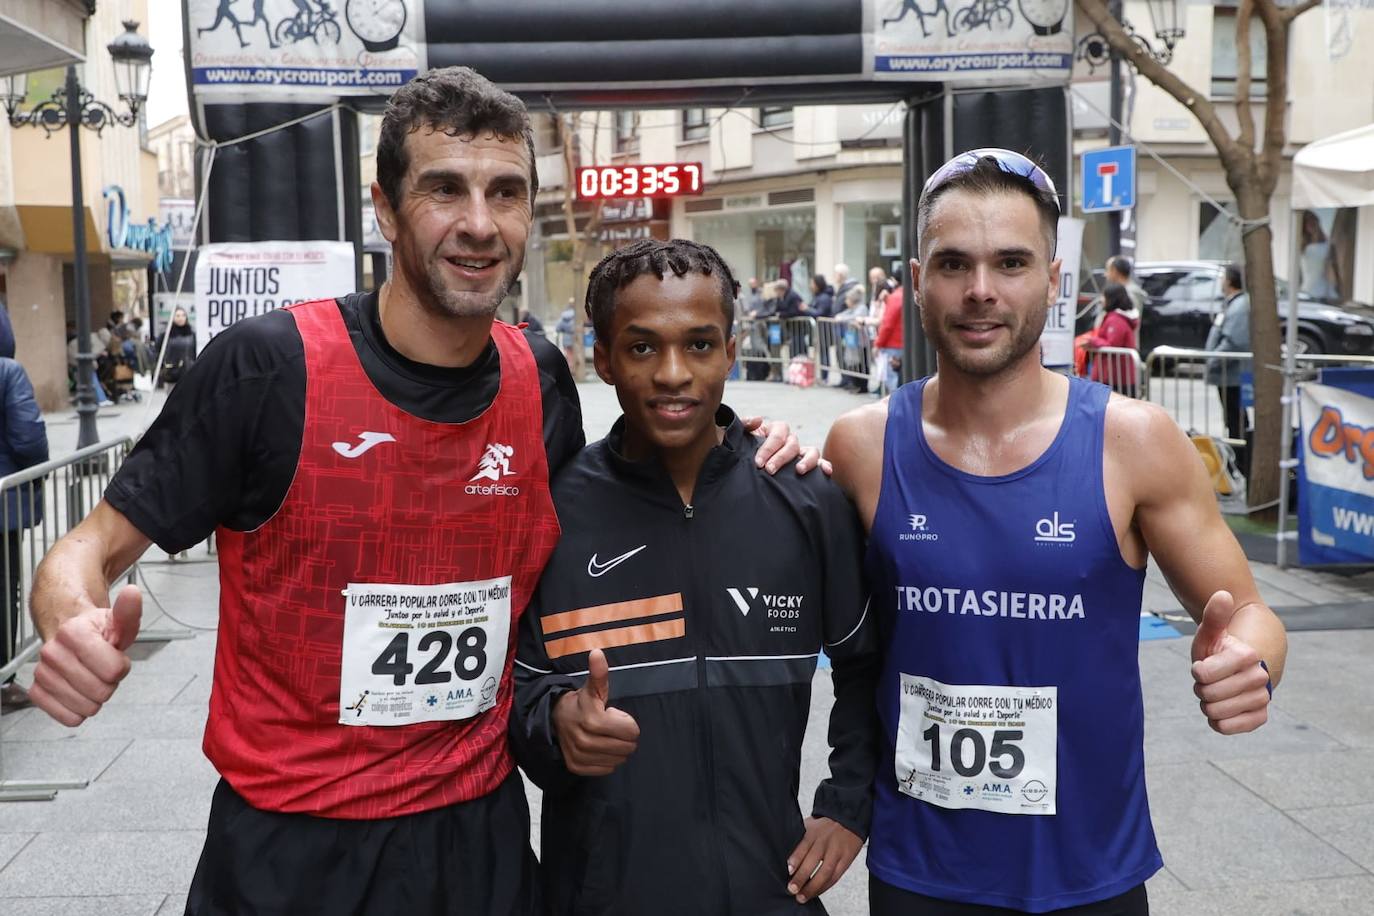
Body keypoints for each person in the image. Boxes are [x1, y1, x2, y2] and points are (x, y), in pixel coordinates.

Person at [23, 66, 806, 916]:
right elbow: (88, 548)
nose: (478, 223)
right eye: (445, 190)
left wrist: (747, 445)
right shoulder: (269, 369)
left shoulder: (536, 377)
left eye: (505, 193)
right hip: (294, 850)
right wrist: (68, 615)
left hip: (480, 842)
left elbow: (620, 506)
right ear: (386, 209)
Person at [824, 149, 1287, 915]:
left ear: (1053, 276)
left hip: (1088, 875)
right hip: (918, 874)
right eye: (953, 264)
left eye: (1011, 262)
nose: (980, 291)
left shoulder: (1133, 441)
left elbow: (1247, 610)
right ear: (916, 280)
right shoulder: (861, 447)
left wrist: (1253, 661)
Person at [510, 239, 879, 914]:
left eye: (700, 345)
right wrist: (556, 724)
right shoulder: (550, 514)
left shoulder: (805, 500)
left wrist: (849, 803)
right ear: (601, 358)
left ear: (732, 352)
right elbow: (513, 690)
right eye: (643, 347)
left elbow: (866, 666)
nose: (674, 372)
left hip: (771, 889)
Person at [0, 346, 47, 712]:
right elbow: (28, 439)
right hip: (2, 506)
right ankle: (3, 679)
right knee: (4, 589)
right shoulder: (7, 372)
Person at [1205, 263, 1252, 474]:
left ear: (1231, 280)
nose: (1221, 281)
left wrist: (1212, 359)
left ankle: (1241, 464)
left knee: (1236, 421)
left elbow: (1234, 342)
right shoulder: (1234, 304)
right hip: (1227, 375)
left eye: (1224, 277)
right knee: (1233, 418)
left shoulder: (1240, 306)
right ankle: (1239, 463)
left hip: (1232, 375)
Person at [1087, 282, 1140, 393]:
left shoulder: (1116, 320)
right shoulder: (1118, 317)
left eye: (1104, 296)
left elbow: (1112, 344)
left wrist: (1092, 341)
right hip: (1116, 376)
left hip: (1115, 377)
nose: (1101, 300)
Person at [873, 265, 905, 395]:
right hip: (903, 343)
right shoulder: (908, 295)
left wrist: (877, 344)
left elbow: (887, 324)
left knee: (892, 382)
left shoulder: (896, 297)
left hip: (893, 344)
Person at [556, 297, 583, 381]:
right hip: (574, 338)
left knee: (568, 355)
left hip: (565, 339)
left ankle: (569, 370)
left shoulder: (563, 316)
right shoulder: (576, 316)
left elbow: (558, 328)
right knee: (575, 355)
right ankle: (574, 370)